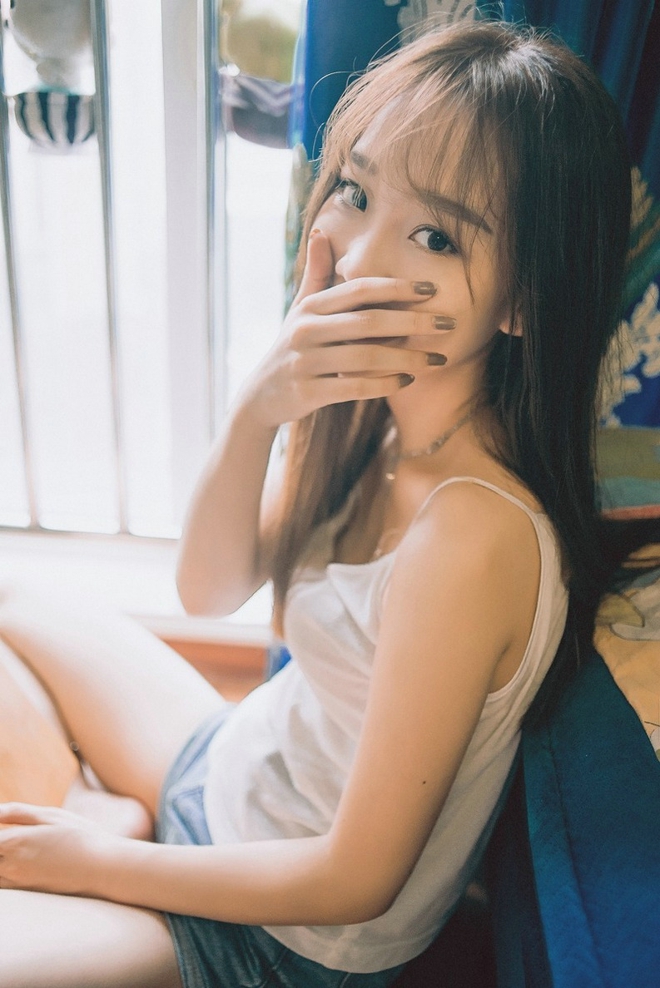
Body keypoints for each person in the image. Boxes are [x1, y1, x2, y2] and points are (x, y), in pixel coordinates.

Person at [0, 19, 647, 988]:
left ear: (523, 301)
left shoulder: (474, 535)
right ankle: (108, 814)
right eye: (356, 190)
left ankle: (104, 831)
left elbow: (357, 878)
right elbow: (208, 587)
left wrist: (95, 865)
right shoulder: (377, 414)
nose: (358, 258)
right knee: (11, 599)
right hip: (232, 765)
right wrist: (259, 407)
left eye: (434, 235)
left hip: (279, 933)